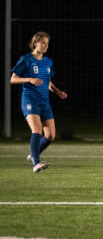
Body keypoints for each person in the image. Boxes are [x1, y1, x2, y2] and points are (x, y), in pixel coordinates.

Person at [10, 31, 67, 173]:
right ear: (35, 43)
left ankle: (33, 155)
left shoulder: (48, 62)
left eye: (47, 44)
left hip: (44, 101)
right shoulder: (26, 59)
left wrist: (58, 92)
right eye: (43, 43)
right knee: (37, 130)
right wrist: (29, 79)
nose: (45, 46)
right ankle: (36, 163)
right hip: (30, 99)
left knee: (51, 135)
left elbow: (48, 82)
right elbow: (13, 79)